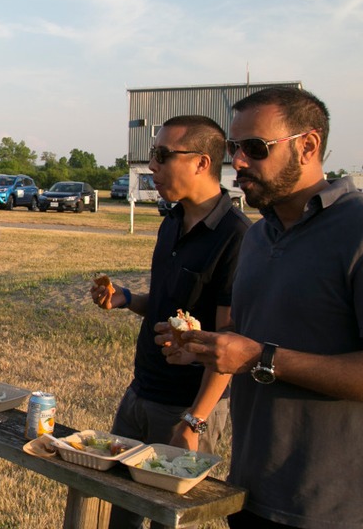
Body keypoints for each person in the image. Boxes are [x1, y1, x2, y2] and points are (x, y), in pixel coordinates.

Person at [160, 87, 363, 528]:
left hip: (335, 510)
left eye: (255, 148)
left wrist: (261, 358)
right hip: (250, 494)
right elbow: (246, 340)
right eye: (235, 148)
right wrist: (204, 349)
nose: (238, 162)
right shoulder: (258, 236)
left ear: (308, 146)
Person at [90, 115, 251, 529]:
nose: (152, 166)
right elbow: (169, 309)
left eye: (162, 155)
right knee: (120, 509)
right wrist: (128, 300)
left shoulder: (236, 237)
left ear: (201, 162)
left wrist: (194, 421)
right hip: (140, 393)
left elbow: (228, 343)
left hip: (185, 409)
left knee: (169, 518)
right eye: (152, 154)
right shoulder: (172, 222)